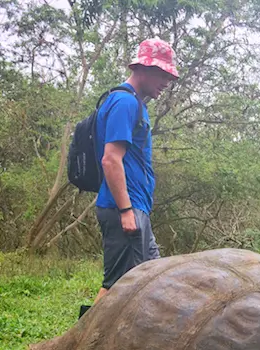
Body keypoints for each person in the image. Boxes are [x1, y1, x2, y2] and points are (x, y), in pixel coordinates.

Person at [87, 38, 178, 313]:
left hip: (135, 206)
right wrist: (126, 210)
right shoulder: (124, 102)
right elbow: (110, 159)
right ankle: (78, 349)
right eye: (162, 74)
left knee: (152, 276)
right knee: (117, 286)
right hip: (123, 208)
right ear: (143, 68)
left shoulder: (136, 104)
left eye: (169, 76)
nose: (166, 82)